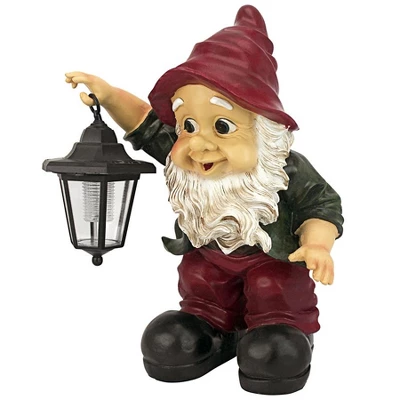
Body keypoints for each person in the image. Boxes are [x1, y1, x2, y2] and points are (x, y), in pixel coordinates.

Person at [65, 5, 343, 395]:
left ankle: (279, 330)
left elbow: (321, 205)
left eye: (223, 126)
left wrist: (317, 244)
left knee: (272, 287)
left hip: (272, 265)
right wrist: (108, 96)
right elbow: (144, 122)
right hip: (209, 262)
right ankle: (209, 328)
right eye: (188, 125)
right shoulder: (186, 158)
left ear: (264, 132)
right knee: (199, 281)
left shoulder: (285, 167)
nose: (198, 145)